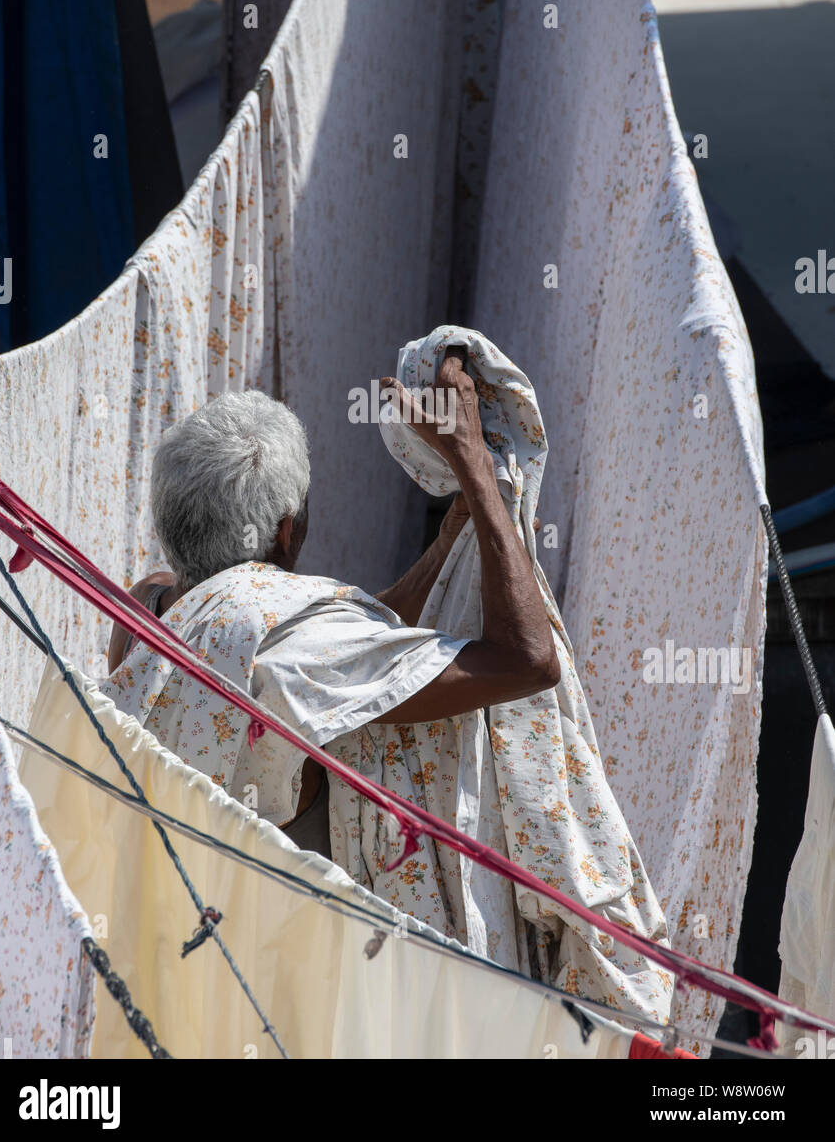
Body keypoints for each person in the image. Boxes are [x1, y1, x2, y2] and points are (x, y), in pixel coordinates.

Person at [105, 348, 561, 859]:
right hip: (281, 931)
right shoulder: (291, 660)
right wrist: (475, 465)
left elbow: (352, 638)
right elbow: (528, 663)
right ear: (284, 532)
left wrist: (452, 535)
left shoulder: (146, 604)